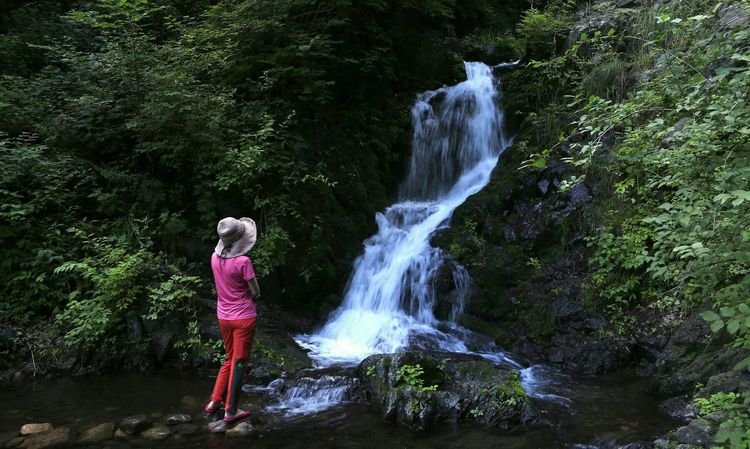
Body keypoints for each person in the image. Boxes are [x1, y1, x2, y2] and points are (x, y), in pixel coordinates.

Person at [204, 216, 261, 424]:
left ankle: (214, 402)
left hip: (223, 316)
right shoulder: (243, 262)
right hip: (244, 318)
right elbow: (255, 292)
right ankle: (231, 411)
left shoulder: (214, 258)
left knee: (229, 357)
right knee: (239, 362)